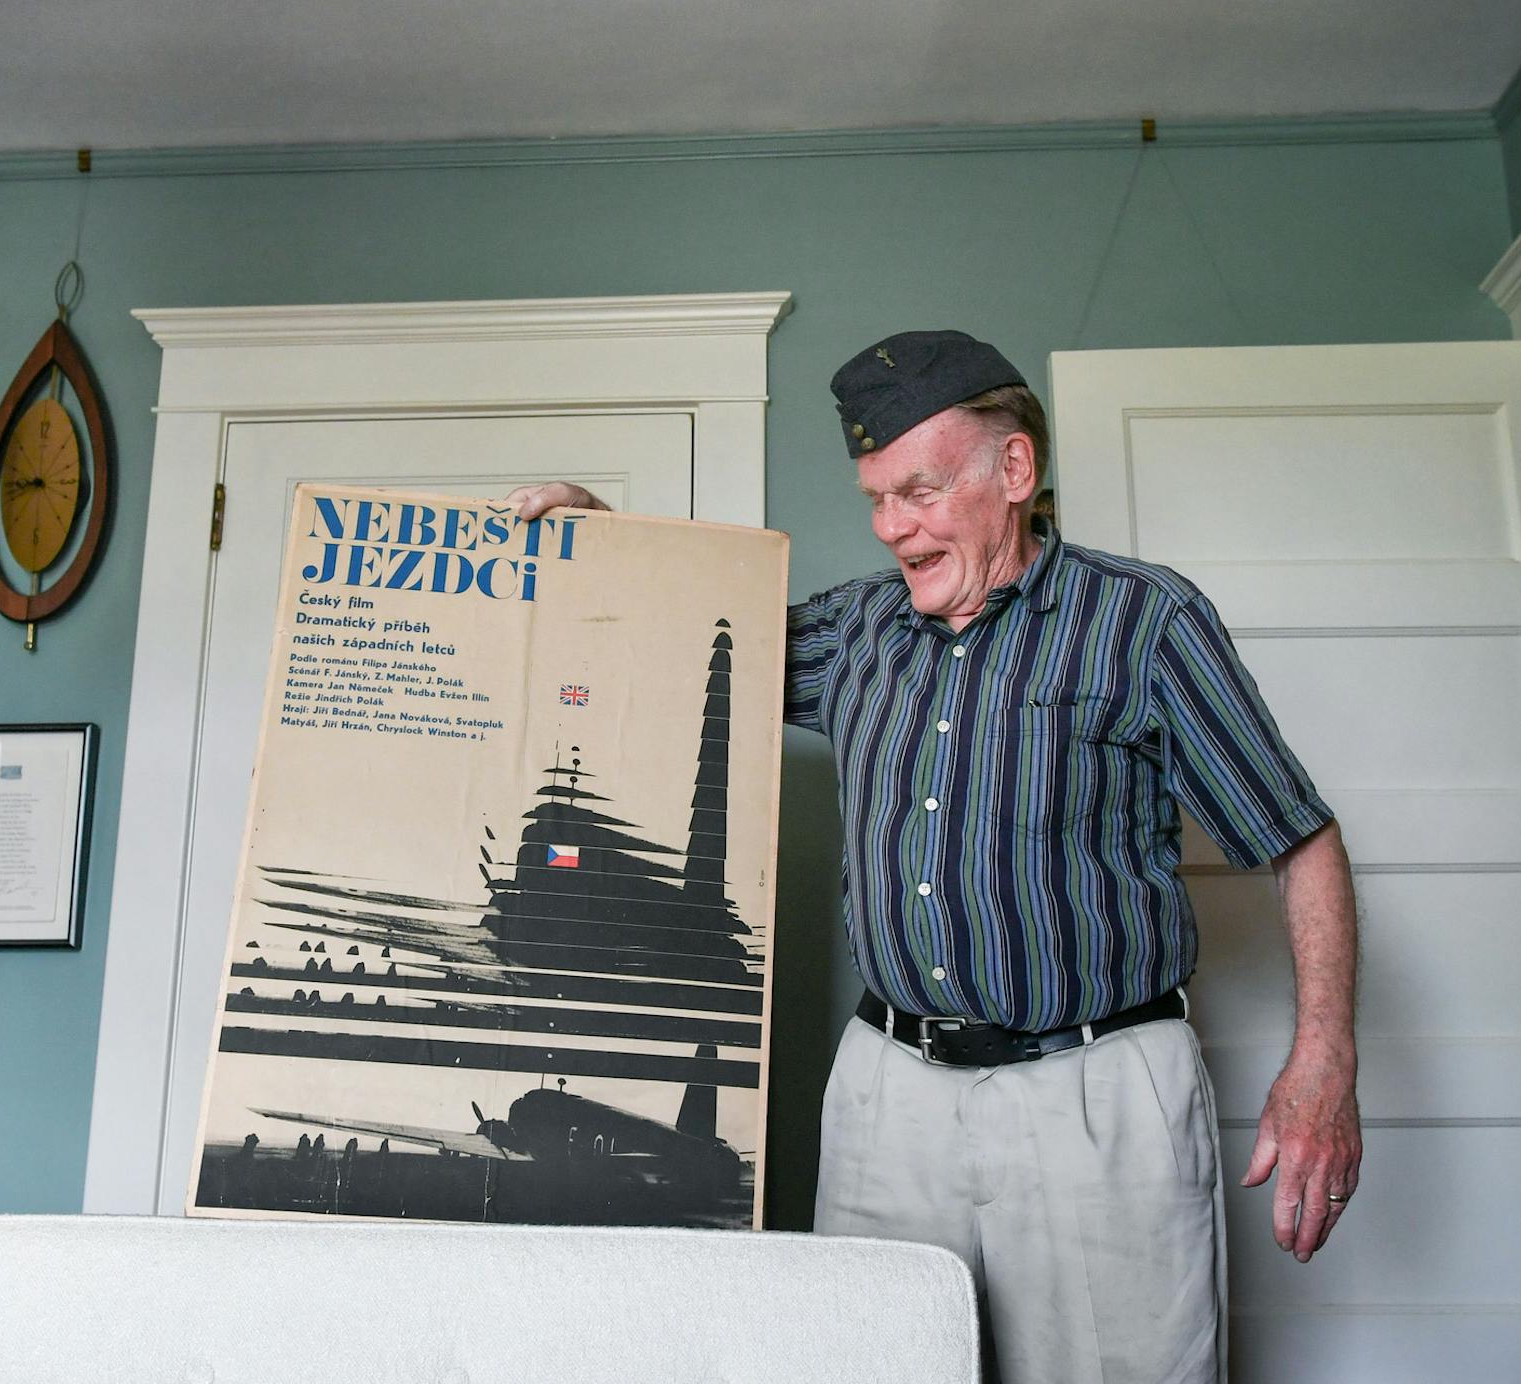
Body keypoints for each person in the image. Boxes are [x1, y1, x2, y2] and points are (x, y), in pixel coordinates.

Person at [508, 329, 1360, 1383]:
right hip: (889, 1095)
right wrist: (608, 533)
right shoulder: (859, 629)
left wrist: (1322, 1062)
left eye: (917, 491)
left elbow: (1299, 836)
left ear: (1015, 470)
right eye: (875, 497)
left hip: (1096, 1091)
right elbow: (695, 632)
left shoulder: (1145, 622)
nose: (891, 527)